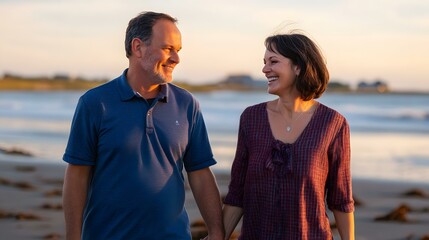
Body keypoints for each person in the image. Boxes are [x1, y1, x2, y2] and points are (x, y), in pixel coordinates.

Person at [62, 11, 224, 240]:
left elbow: (200, 172)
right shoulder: (95, 103)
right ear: (138, 47)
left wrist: (217, 232)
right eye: (168, 49)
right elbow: (77, 175)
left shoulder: (187, 104)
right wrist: (72, 237)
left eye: (178, 50)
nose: (176, 58)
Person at [222, 32, 355, 239]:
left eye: (273, 61)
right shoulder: (251, 118)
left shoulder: (333, 124)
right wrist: (216, 235)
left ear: (298, 66)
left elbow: (341, 199)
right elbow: (237, 193)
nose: (265, 69)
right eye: (264, 62)